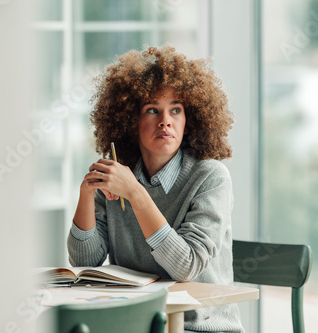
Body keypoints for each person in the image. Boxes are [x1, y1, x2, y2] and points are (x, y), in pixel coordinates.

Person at [67, 45, 244, 333]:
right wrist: (87, 193)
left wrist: (136, 193)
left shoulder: (211, 177)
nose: (166, 121)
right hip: (135, 325)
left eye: (176, 109)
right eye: (152, 110)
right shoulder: (119, 174)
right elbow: (85, 261)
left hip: (197, 329)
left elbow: (186, 266)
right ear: (129, 121)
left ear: (189, 121)